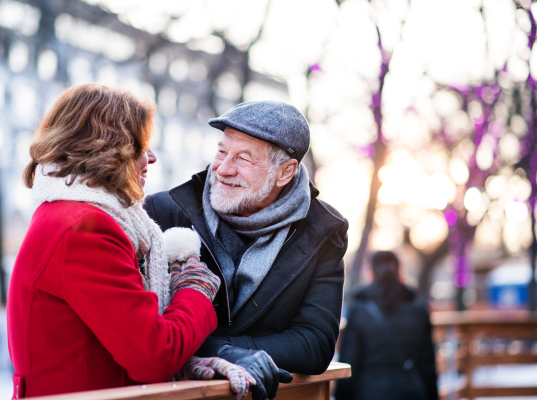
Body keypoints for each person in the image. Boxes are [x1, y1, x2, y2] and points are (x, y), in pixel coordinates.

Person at [7, 83, 227, 398]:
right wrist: (195, 290)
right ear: (111, 149)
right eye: (142, 144)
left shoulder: (66, 216)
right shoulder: (85, 229)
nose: (151, 158)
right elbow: (154, 356)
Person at [144, 100, 349, 400]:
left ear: (285, 172)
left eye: (243, 158)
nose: (223, 169)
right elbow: (147, 327)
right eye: (222, 151)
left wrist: (222, 348)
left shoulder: (323, 232)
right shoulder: (164, 212)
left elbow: (314, 343)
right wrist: (229, 353)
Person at [335, 251, 439, 400]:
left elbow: (349, 363)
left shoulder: (358, 311)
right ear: (399, 271)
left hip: (368, 393)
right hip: (409, 392)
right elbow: (428, 366)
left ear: (371, 273)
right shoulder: (418, 310)